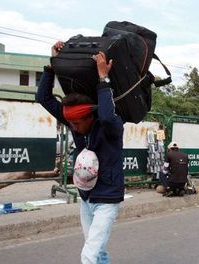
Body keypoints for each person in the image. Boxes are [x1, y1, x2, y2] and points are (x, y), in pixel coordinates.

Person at [36, 41, 124, 264]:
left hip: (107, 200)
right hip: (86, 198)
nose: (73, 127)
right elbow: (43, 99)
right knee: (98, 251)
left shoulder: (111, 127)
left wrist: (104, 79)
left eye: (77, 124)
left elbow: (105, 115)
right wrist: (51, 65)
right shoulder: (77, 123)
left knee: (88, 254)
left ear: (89, 117)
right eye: (70, 124)